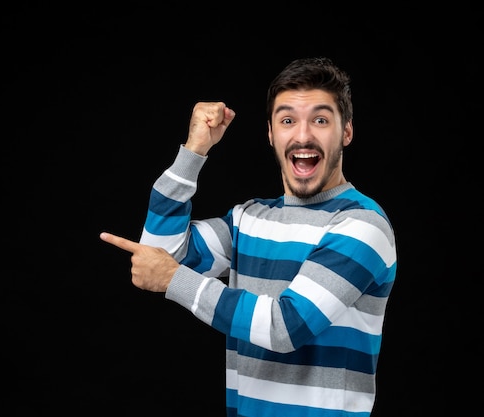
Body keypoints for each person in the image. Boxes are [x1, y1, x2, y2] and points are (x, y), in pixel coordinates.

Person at [100, 57, 397, 417]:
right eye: (288, 120)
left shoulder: (363, 225)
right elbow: (160, 253)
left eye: (320, 120)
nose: (303, 135)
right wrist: (194, 152)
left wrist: (173, 279)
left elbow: (285, 327)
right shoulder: (248, 219)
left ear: (346, 132)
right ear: (271, 134)